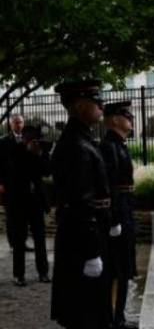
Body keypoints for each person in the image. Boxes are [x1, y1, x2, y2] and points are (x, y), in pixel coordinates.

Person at [50, 80, 112, 329]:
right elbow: (80, 203)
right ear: (78, 105)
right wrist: (91, 252)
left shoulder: (83, 139)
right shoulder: (76, 145)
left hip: (86, 235)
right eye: (95, 100)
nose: (101, 105)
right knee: (85, 312)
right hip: (81, 242)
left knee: (91, 309)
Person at [100, 101, 138, 329]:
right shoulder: (108, 147)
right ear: (114, 120)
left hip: (125, 210)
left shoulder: (120, 145)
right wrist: (114, 219)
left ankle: (119, 316)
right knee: (115, 268)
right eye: (126, 115)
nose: (131, 118)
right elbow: (109, 185)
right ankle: (113, 317)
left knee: (123, 267)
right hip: (118, 213)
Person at [4, 125, 51, 286]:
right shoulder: (15, 150)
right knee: (19, 240)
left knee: (40, 239)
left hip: (36, 202)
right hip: (18, 203)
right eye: (32, 139)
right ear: (24, 138)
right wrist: (28, 152)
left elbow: (47, 171)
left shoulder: (40, 151)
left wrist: (39, 154)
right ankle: (19, 275)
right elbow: (15, 170)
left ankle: (43, 272)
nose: (35, 142)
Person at [0, 114, 25, 250]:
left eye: (20, 122)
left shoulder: (28, 140)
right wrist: (1, 183)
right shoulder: (3, 141)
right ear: (10, 124)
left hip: (24, 185)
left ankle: (21, 242)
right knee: (11, 216)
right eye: (15, 123)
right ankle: (13, 244)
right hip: (9, 185)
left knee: (22, 216)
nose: (18, 125)